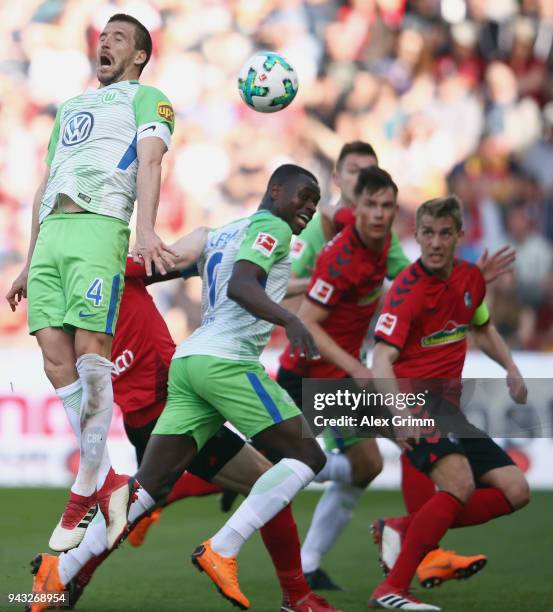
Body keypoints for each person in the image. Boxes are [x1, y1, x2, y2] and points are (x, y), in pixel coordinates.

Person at [26, 230, 341, 612]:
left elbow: (186, 262)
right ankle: (297, 596)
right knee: (269, 483)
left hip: (156, 408)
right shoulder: (106, 268)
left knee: (142, 503)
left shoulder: (79, 284)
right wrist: (215, 239)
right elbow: (188, 258)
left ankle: (66, 576)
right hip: (166, 407)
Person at [98, 164, 326, 612]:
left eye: (315, 205)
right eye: (304, 197)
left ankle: (60, 571)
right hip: (195, 380)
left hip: (177, 378)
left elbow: (158, 265)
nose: (309, 209)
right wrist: (291, 317)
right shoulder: (268, 228)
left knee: (251, 481)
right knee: (300, 461)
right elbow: (241, 284)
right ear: (275, 191)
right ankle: (243, 562)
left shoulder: (207, 238)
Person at [279, 166, 514, 591]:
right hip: (321, 377)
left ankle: (389, 540)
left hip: (366, 382)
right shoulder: (351, 262)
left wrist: (509, 365)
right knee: (275, 461)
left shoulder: (381, 239)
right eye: (369, 202)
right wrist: (360, 371)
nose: (378, 212)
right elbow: (320, 326)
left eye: (386, 205)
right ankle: (169, 486)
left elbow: (476, 320)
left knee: (371, 462)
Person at [6, 13, 176, 553]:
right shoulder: (71, 106)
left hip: (101, 226)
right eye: (102, 37)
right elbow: (46, 181)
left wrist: (144, 228)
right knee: (53, 357)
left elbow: (150, 160)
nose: (105, 44)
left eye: (118, 39)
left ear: (140, 55)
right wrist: (29, 260)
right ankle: (108, 481)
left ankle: (86, 491)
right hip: (53, 232)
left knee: (90, 352)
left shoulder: (149, 99)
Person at [368, 196, 530, 610]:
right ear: (417, 235)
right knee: (459, 484)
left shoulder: (471, 278)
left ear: (460, 236)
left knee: (516, 491)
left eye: (445, 233)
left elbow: (484, 326)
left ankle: (404, 527)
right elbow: (381, 357)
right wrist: (399, 416)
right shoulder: (406, 291)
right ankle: (393, 588)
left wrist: (510, 365)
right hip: (415, 403)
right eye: (427, 233)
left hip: (449, 409)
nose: (435, 242)